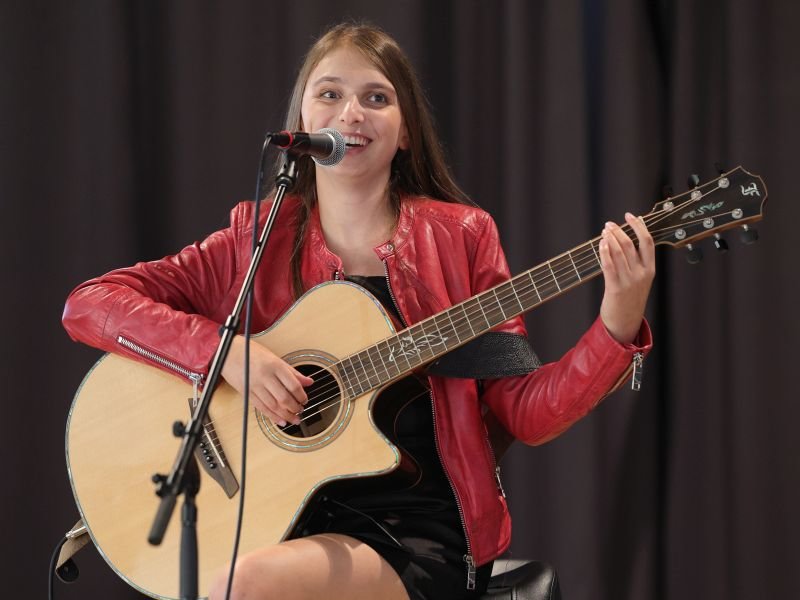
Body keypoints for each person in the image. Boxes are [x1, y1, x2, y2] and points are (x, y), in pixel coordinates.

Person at [62, 21, 654, 600]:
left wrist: (616, 324)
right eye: (330, 94)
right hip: (277, 513)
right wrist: (227, 355)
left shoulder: (462, 236)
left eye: (376, 97)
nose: (351, 113)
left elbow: (524, 414)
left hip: (414, 527)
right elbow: (89, 305)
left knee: (243, 587)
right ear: (302, 125)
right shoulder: (257, 235)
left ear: (405, 134)